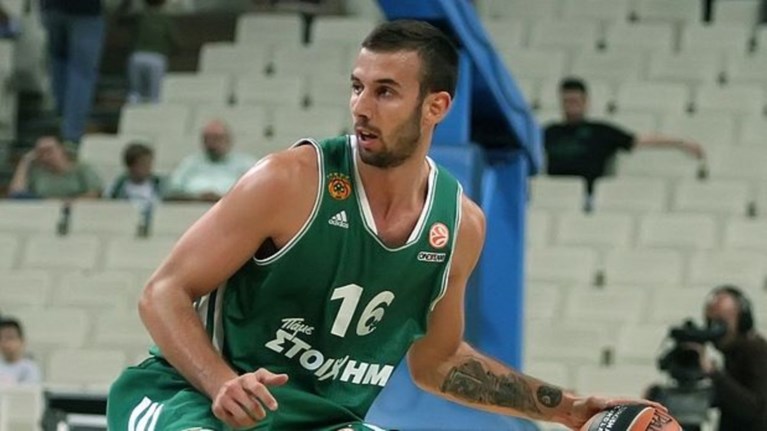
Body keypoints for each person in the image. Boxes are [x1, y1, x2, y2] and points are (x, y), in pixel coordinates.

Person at [107, 20, 659, 430]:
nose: (361, 107)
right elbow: (163, 292)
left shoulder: (459, 226)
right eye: (357, 86)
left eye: (385, 91)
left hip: (318, 420)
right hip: (190, 399)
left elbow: (438, 362)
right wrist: (222, 382)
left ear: (436, 107)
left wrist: (567, 409)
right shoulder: (289, 180)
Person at [543, 77, 705, 204]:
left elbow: (640, 140)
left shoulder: (601, 131)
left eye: (575, 101)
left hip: (589, 198)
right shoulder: (549, 132)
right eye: (567, 101)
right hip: (550, 195)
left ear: (585, 102)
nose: (571, 106)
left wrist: (680, 142)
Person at [695, 286, 767, 430]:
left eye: (720, 323)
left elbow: (755, 409)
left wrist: (714, 373)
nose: (715, 330)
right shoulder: (733, 353)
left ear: (742, 321)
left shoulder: (757, 350)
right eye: (710, 322)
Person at [41, 0, 105, 148]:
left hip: (52, 8)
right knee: (82, 73)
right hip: (86, 10)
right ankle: (72, 133)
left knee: (58, 65)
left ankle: (60, 115)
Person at [165, 119, 256, 202]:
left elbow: (255, 191)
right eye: (207, 139)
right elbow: (172, 190)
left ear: (228, 140)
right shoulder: (190, 163)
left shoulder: (245, 164)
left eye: (217, 138)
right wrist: (197, 197)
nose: (211, 143)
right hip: (191, 208)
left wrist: (222, 198)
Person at [8, 133, 103, 199]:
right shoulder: (37, 172)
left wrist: (65, 203)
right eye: (41, 152)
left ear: (61, 149)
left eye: (49, 151)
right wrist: (25, 161)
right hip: (42, 213)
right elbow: (16, 193)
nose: (45, 156)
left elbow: (95, 193)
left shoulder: (81, 168)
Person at [122, 0, 180, 104]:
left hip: (137, 57)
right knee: (155, 97)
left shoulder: (139, 17)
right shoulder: (166, 20)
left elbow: (120, 20)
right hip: (157, 58)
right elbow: (175, 41)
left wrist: (126, 3)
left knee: (134, 94)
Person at [104, 141, 163, 209]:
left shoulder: (159, 185)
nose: (148, 167)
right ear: (131, 166)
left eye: (149, 163)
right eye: (143, 164)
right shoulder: (118, 187)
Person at [0, 318, 42, 385]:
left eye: (10, 338)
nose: (5, 343)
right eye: (1, 338)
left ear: (22, 341)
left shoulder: (30, 369)